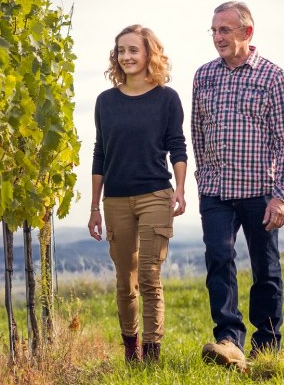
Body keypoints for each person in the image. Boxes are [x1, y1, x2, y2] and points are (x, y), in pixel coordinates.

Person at [191, 1, 284, 370]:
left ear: (247, 33)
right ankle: (228, 340)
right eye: (214, 31)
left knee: (265, 269)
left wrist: (280, 195)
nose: (218, 37)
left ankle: (266, 346)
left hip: (260, 193)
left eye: (225, 30)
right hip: (216, 191)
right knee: (219, 260)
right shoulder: (203, 76)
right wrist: (203, 178)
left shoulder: (272, 76)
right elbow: (198, 132)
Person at [88, 25, 187, 363]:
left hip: (155, 195)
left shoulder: (167, 99)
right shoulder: (106, 101)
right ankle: (131, 349)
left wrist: (181, 190)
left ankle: (152, 350)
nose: (126, 56)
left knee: (148, 275)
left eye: (133, 50)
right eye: (121, 51)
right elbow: (100, 153)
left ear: (149, 54)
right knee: (124, 280)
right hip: (114, 200)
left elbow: (177, 146)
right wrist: (94, 207)